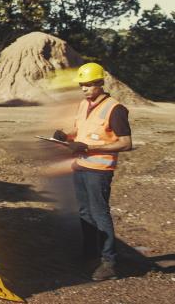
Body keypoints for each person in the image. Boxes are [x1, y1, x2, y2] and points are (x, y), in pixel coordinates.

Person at [52, 62, 133, 281]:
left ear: (100, 83)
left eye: (89, 85)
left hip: (99, 170)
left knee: (100, 214)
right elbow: (80, 133)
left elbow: (125, 143)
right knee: (85, 213)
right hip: (80, 166)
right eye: (82, 85)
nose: (85, 89)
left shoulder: (115, 109)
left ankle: (109, 262)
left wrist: (89, 147)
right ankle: (90, 254)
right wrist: (66, 136)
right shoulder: (83, 105)